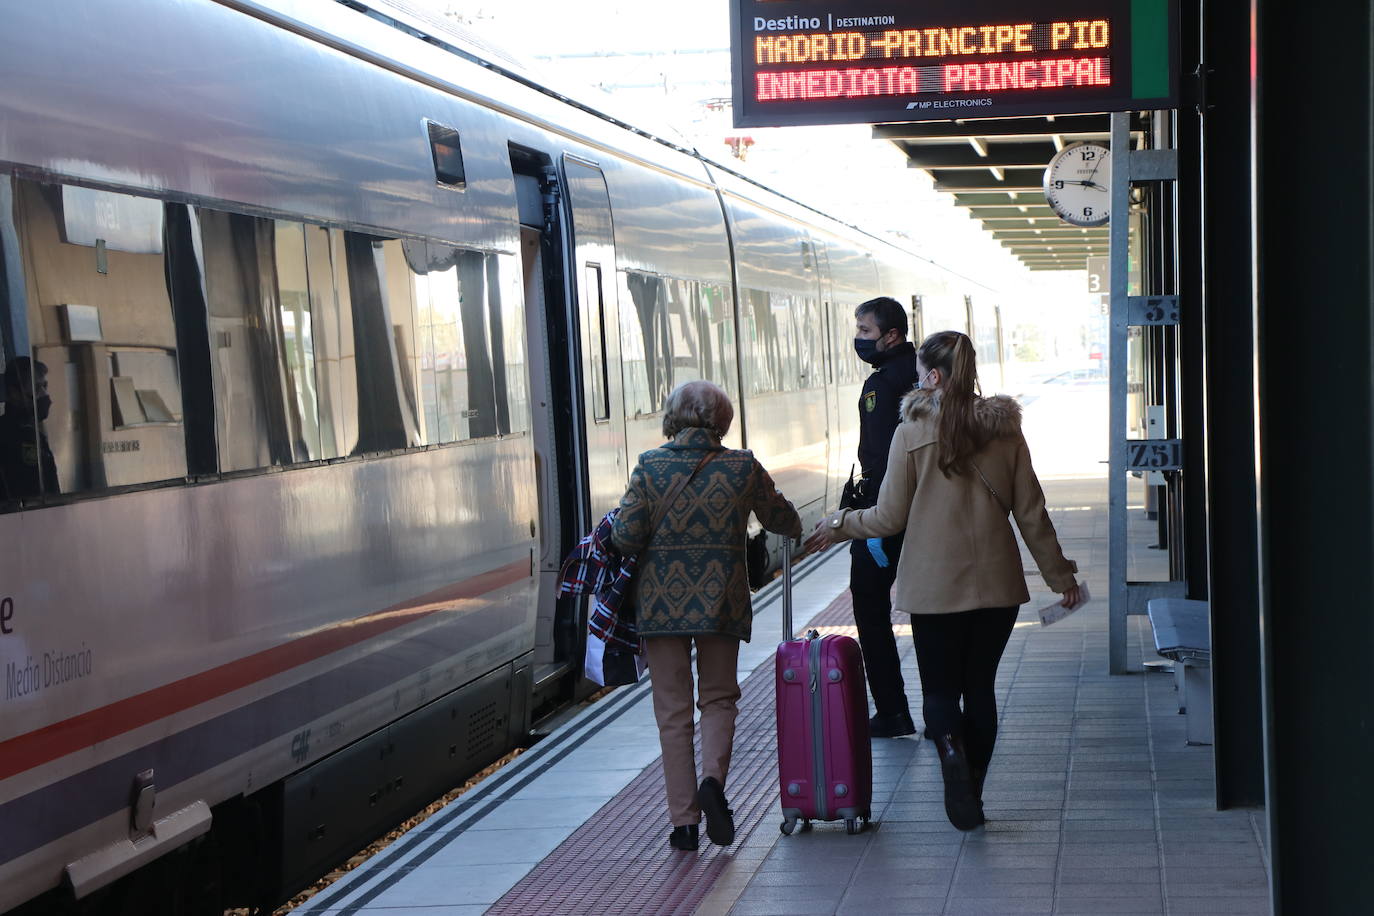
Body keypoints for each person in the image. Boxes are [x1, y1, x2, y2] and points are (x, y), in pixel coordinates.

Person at [806, 331, 1083, 831]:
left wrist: (840, 523)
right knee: (980, 688)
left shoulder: (910, 432)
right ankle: (971, 791)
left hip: (934, 587)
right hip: (996, 586)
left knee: (938, 691)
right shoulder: (1005, 430)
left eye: (918, 372)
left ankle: (949, 749)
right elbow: (1031, 512)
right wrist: (1060, 577)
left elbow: (888, 517)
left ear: (932, 376)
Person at [612, 380, 801, 852]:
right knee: (718, 700)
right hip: (721, 603)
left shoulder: (651, 466)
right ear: (723, 421)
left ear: (674, 417)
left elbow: (625, 537)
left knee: (673, 714)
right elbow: (784, 521)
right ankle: (713, 781)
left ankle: (684, 825)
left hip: (661, 608)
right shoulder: (742, 465)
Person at [848, 296, 920, 738]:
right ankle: (944, 708)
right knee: (931, 611)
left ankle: (893, 709)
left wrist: (869, 521)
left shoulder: (882, 385)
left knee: (869, 606)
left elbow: (878, 459)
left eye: (866, 331)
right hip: (929, 509)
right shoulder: (925, 371)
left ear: (891, 335)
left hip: (886, 515)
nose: (859, 338)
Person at [0, 356, 59, 500]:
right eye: (36, 387)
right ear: (14, 393)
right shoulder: (4, 435)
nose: (44, 394)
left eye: (44, 386)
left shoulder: (36, 435)